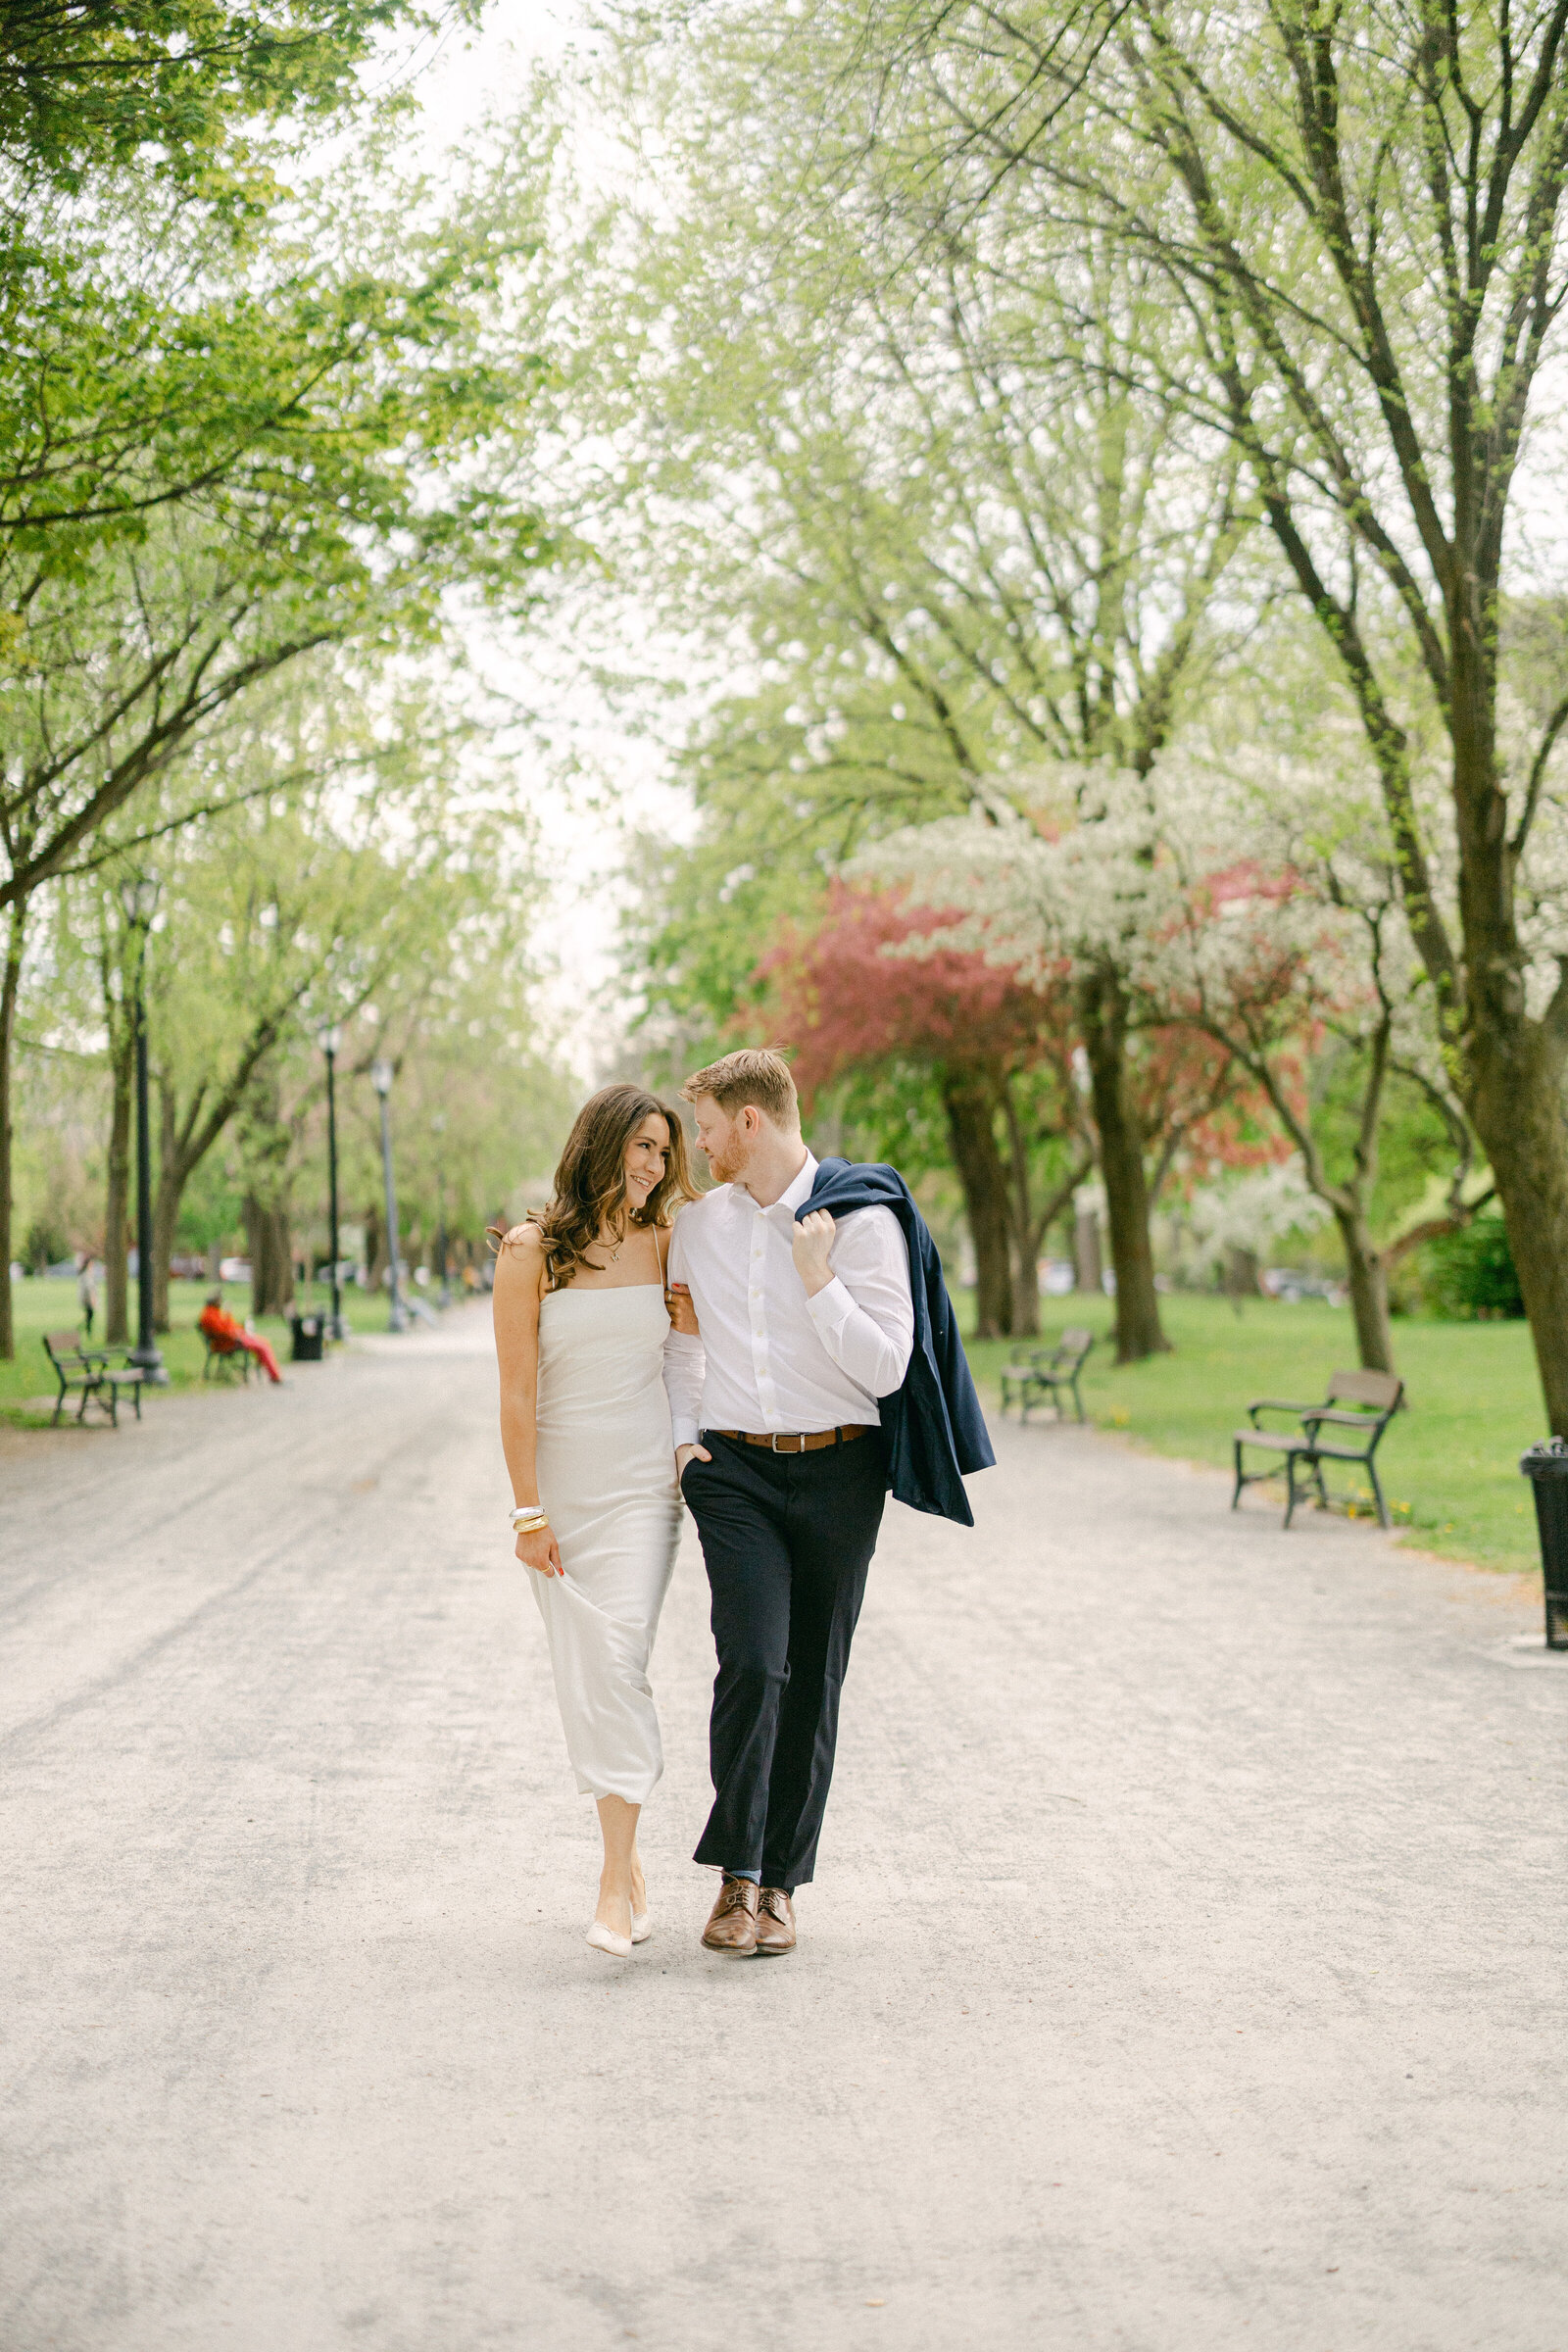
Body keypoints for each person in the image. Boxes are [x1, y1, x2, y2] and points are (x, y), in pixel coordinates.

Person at [662, 1046, 989, 1961]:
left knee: (815, 1675)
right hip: (734, 1475)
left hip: (842, 1474)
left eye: (709, 1127)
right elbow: (684, 1350)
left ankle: (778, 1887)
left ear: (751, 1122)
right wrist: (687, 1446)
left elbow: (885, 1365)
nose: (702, 1144)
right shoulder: (699, 1228)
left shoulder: (862, 1220)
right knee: (755, 1664)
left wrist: (820, 1277)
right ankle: (735, 1875)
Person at [492, 1085, 700, 1960]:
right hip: (564, 1494)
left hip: (647, 1492)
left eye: (664, 1150)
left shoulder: (671, 1241)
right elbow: (515, 1394)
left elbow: (696, 1355)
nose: (654, 1165)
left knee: (620, 1661)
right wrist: (528, 1511)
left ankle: (614, 1884)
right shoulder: (530, 1251)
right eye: (641, 1147)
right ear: (602, 1143)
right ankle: (630, 1864)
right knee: (590, 1670)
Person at [197, 1291, 284, 1385]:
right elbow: (222, 1332)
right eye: (219, 1301)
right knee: (262, 1346)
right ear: (214, 1302)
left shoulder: (214, 1313)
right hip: (228, 1342)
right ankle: (274, 1375)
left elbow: (227, 1326)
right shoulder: (209, 1315)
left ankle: (272, 1373)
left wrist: (235, 1325)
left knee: (263, 1342)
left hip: (232, 1339)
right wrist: (236, 1332)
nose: (221, 1303)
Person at [76, 1255, 98, 1339]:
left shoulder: (87, 1273)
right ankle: (87, 1331)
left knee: (89, 1316)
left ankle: (86, 1330)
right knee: (89, 1315)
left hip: (86, 1298)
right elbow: (89, 1288)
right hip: (87, 1299)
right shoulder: (86, 1274)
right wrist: (92, 1299)